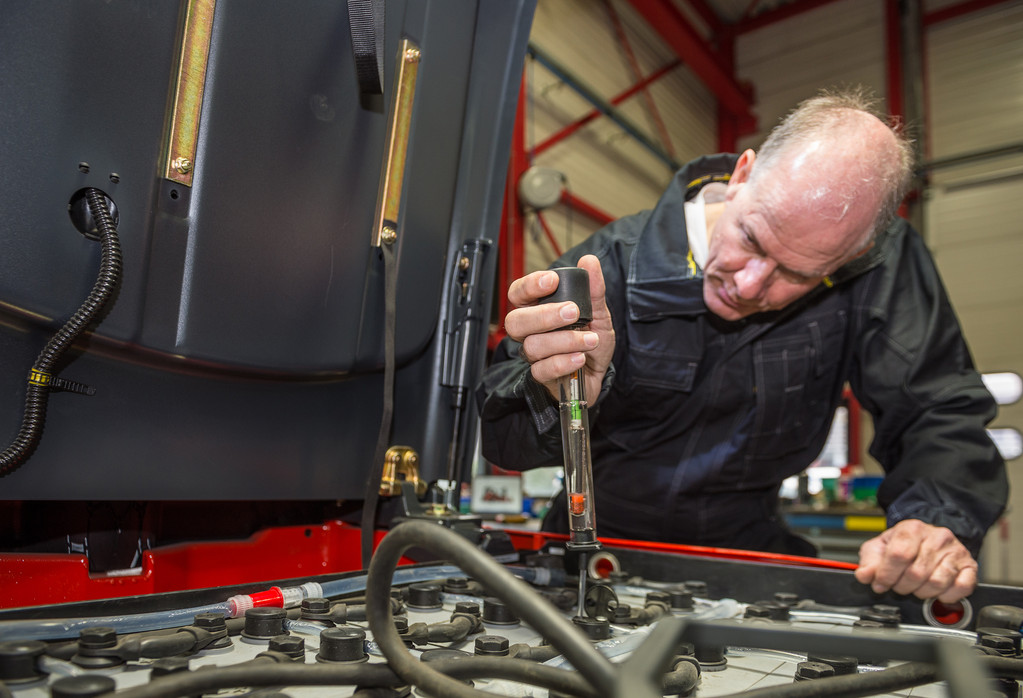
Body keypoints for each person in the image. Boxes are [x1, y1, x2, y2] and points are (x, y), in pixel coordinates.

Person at [476, 89, 1007, 604]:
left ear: (855, 252)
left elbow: (936, 410)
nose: (749, 286)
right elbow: (502, 437)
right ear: (743, 174)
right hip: (588, 545)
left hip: (748, 555)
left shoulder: (877, 267)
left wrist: (933, 519)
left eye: (797, 273)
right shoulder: (611, 265)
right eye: (752, 238)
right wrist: (563, 389)